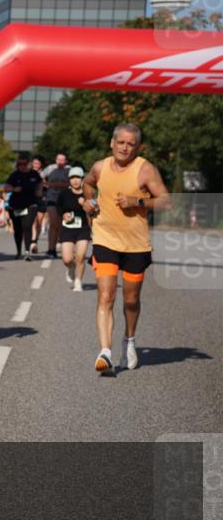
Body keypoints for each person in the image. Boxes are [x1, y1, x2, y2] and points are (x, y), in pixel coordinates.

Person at [82, 124, 170, 374]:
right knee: (106, 296)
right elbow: (88, 184)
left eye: (131, 144)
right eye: (121, 142)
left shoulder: (145, 169)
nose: (125, 147)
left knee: (131, 300)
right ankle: (105, 352)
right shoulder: (100, 167)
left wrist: (138, 201)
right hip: (104, 238)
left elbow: (165, 201)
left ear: (138, 147)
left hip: (135, 244)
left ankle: (129, 340)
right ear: (112, 143)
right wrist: (89, 201)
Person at [57, 165, 91, 291]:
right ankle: (71, 267)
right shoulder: (64, 193)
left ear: (82, 179)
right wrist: (63, 214)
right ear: (69, 179)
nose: (75, 180)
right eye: (72, 177)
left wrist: (85, 204)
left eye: (77, 177)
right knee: (67, 259)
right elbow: (58, 207)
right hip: (68, 228)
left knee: (81, 256)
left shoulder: (88, 193)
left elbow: (95, 210)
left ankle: (78, 281)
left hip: (83, 228)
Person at [3, 156, 43, 260]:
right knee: (18, 229)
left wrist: (39, 190)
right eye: (20, 164)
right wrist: (14, 189)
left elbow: (40, 182)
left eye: (24, 164)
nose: (22, 166)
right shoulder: (14, 175)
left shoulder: (34, 174)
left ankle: (27, 252)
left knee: (27, 226)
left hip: (31, 204)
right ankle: (18, 251)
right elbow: (6, 188)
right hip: (16, 206)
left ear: (28, 164)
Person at [41, 152, 71, 258]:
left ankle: (65, 249)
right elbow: (40, 178)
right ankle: (51, 249)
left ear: (66, 161)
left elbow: (73, 183)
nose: (60, 162)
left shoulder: (69, 170)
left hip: (64, 200)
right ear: (56, 160)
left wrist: (59, 184)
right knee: (53, 224)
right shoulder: (50, 169)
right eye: (59, 159)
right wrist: (47, 185)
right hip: (51, 198)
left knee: (62, 226)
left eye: (63, 160)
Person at [30, 155, 48, 251]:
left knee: (39, 222)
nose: (36, 165)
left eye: (38, 163)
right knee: (32, 221)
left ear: (41, 164)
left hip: (42, 198)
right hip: (30, 198)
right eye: (34, 163)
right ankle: (32, 242)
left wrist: (44, 183)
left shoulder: (45, 174)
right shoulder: (29, 173)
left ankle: (35, 240)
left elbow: (49, 185)